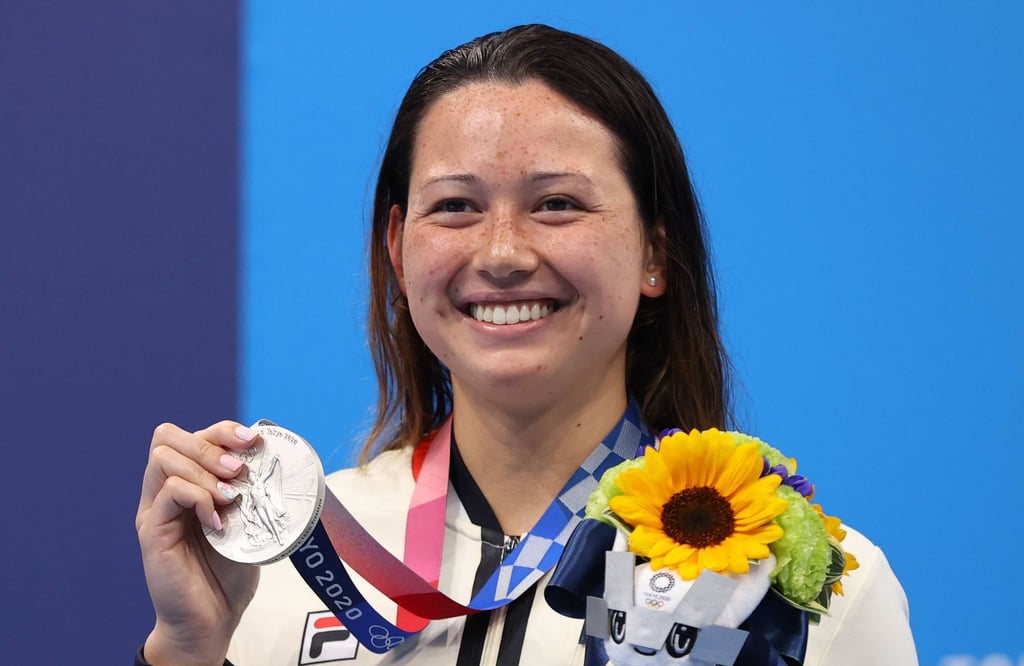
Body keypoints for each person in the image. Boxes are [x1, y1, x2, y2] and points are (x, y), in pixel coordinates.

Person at [136, 24, 917, 665]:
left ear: (653, 252)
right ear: (397, 252)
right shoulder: (282, 571)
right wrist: (186, 650)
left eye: (556, 203)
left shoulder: (800, 589)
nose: (502, 252)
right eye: (455, 206)